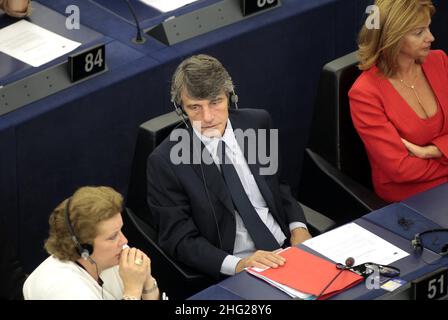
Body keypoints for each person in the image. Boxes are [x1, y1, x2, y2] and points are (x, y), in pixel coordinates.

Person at [146, 54, 312, 280]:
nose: (207, 117)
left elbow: (278, 186)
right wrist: (239, 264)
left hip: (288, 248)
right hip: (237, 267)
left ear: (230, 97)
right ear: (181, 109)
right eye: (195, 107)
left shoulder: (257, 123)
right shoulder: (165, 162)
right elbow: (180, 239)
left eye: (215, 102)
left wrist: (298, 227)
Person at [349, 0, 448, 202]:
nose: (431, 37)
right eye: (419, 32)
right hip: (412, 198)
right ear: (392, 38)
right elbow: (400, 169)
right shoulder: (364, 93)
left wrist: (434, 151)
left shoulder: (440, 61)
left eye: (428, 27)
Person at [23, 186, 160, 300]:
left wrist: (147, 282)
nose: (124, 241)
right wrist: (133, 291)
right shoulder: (64, 290)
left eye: (120, 230)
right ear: (84, 247)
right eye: (112, 237)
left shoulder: (111, 258)